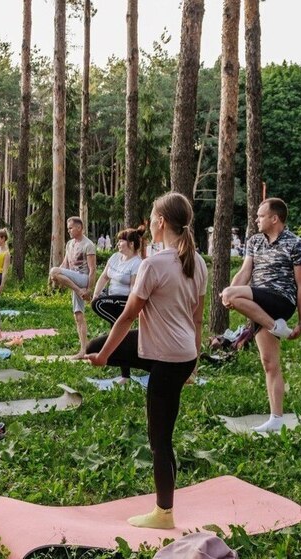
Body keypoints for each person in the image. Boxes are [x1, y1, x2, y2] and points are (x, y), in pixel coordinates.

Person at [86, 192, 207, 530]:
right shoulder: (198, 262)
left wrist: (104, 358)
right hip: (180, 354)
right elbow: (197, 319)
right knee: (96, 344)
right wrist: (194, 365)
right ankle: (105, 353)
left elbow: (127, 316)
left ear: (161, 222)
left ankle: (163, 514)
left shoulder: (154, 264)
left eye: (152, 217)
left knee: (159, 440)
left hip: (167, 360)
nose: (150, 223)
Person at [220, 198, 301, 432]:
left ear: (274, 218)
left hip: (281, 300)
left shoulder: (297, 244)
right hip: (260, 307)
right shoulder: (255, 241)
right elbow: (244, 272)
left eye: (261, 216)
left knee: (231, 293)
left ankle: (276, 326)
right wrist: (230, 295)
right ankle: (276, 419)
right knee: (269, 363)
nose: (256, 220)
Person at [89, 226, 145, 381]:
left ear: (131, 244)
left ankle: (118, 331)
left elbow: (134, 288)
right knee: (118, 335)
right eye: (118, 241)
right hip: (111, 299)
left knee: (99, 306)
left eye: (121, 241)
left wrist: (131, 309)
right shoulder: (114, 257)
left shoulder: (137, 263)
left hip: (124, 301)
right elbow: (104, 277)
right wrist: (96, 294)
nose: (118, 243)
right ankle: (125, 375)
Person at [48, 216, 97, 358]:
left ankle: (79, 291)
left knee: (54, 270)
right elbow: (65, 264)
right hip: (74, 280)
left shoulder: (88, 245)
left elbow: (92, 269)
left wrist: (89, 289)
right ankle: (83, 349)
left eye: (70, 228)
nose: (68, 230)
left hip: (83, 279)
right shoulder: (69, 244)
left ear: (79, 228)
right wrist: (55, 277)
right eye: (67, 228)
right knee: (78, 315)